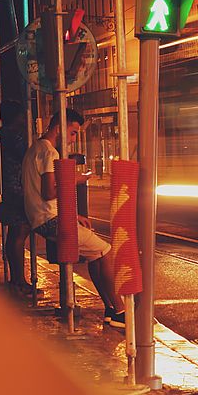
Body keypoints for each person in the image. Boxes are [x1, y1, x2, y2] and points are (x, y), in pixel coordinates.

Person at [22, 108, 124, 328]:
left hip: (42, 217)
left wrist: (74, 215)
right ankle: (120, 310)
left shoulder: (34, 149)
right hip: (50, 220)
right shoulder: (50, 153)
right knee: (106, 251)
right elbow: (49, 192)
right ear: (59, 129)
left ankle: (110, 308)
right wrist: (76, 179)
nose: (73, 138)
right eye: (73, 133)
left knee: (95, 255)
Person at [0, 100, 38, 296]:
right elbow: (28, 155)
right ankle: (20, 280)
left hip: (6, 188)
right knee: (20, 231)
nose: (24, 119)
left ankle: (16, 278)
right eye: (22, 115)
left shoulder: (1, 135)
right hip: (16, 189)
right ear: (16, 117)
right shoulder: (14, 136)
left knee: (14, 233)